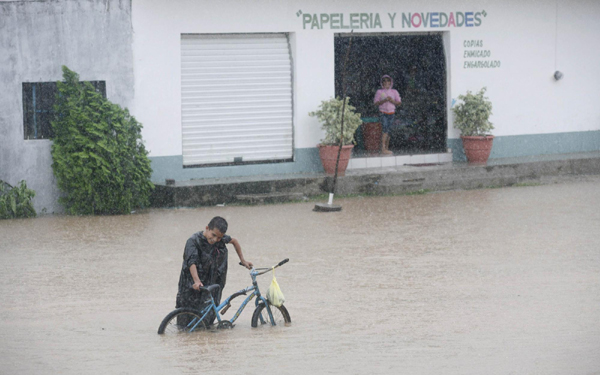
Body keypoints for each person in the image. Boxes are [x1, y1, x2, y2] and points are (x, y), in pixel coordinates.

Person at [176, 216, 253, 326]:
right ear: (207, 228)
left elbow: (234, 241)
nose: (215, 240)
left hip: (212, 283)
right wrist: (196, 281)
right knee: (185, 321)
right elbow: (191, 263)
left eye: (219, 237)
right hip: (191, 285)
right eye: (213, 235)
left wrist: (243, 260)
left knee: (207, 318)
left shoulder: (220, 239)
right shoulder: (193, 241)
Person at [373, 75, 402, 155]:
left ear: (390, 82)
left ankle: (386, 148)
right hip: (383, 113)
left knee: (388, 131)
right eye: (384, 81)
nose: (386, 82)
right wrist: (385, 100)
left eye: (388, 81)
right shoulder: (380, 92)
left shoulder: (394, 91)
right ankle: (382, 148)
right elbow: (376, 103)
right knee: (385, 129)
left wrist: (392, 101)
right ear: (382, 83)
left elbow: (399, 102)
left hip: (391, 113)